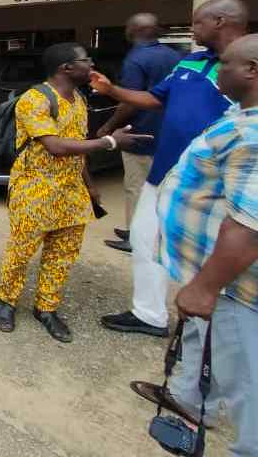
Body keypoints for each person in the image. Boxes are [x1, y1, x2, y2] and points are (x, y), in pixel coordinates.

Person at [130, 33, 258, 455]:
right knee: (207, 348)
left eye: (226, 66)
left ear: (252, 70)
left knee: (247, 384)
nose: (217, 72)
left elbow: (250, 222)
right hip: (217, 275)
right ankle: (189, 398)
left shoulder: (254, 132)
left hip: (236, 286)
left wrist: (204, 286)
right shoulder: (243, 115)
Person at [95, 0, 247, 338]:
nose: (192, 29)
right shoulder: (189, 61)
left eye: (197, 23)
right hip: (165, 170)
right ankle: (150, 314)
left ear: (220, 21)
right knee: (144, 238)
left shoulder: (246, 68)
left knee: (210, 257)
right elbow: (155, 98)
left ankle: (208, 330)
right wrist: (111, 89)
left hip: (213, 185)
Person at [0, 43, 151, 343]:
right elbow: (56, 145)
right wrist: (110, 142)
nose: (91, 64)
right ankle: (6, 302)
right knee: (21, 250)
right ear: (66, 68)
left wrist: (89, 184)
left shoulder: (78, 100)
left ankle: (46, 308)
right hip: (34, 188)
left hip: (70, 191)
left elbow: (76, 149)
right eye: (85, 60)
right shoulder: (34, 99)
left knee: (63, 253)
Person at [97, 14, 181, 254]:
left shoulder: (136, 59)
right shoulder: (174, 55)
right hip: (166, 131)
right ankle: (145, 230)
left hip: (140, 132)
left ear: (131, 30)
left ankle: (135, 237)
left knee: (136, 186)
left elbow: (129, 101)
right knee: (158, 185)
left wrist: (108, 127)